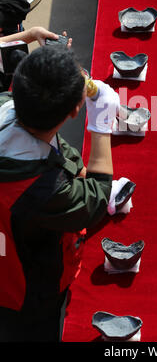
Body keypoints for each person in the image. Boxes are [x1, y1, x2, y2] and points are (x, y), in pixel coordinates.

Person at [0, 45, 120, 341]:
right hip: (21, 291)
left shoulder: (6, 104)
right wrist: (101, 126)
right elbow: (96, 197)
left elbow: (55, 151)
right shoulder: (43, 190)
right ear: (75, 110)